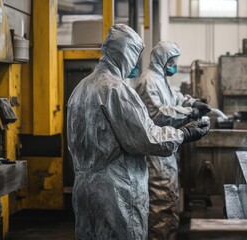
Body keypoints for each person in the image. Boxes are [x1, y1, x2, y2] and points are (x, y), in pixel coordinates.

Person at [67, 25, 209, 240]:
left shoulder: (81, 88)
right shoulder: (116, 90)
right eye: (134, 56)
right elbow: (146, 138)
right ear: (125, 54)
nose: (135, 63)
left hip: (85, 188)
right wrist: (184, 134)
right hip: (116, 191)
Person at [136, 41, 211, 240]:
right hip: (156, 154)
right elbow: (158, 113)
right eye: (173, 61)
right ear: (163, 60)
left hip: (167, 150)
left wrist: (192, 102)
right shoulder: (148, 81)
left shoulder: (159, 79)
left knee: (169, 203)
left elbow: (173, 99)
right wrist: (191, 112)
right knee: (161, 206)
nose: (175, 65)